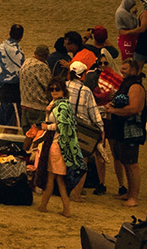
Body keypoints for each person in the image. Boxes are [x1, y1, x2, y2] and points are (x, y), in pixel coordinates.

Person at [36, 60, 101, 217]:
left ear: (63, 90)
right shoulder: (59, 103)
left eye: (56, 89)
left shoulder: (61, 105)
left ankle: (49, 207)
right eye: (51, 89)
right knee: (57, 179)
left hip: (57, 145)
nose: (53, 91)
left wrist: (46, 127)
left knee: (53, 178)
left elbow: (60, 125)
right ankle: (61, 208)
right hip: (58, 144)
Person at [107, 54, 147, 206]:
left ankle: (134, 197)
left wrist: (113, 111)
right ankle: (129, 193)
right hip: (120, 129)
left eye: (124, 68)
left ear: (133, 71)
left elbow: (135, 108)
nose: (121, 70)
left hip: (131, 131)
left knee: (132, 164)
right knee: (124, 161)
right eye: (121, 68)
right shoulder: (125, 84)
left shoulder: (136, 86)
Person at [0, 23, 26, 126]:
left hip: (1, 85)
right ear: (21, 36)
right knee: (12, 118)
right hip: (13, 88)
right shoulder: (19, 52)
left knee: (4, 112)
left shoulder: (1, 47)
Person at [18, 43, 53, 130]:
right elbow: (49, 86)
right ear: (45, 56)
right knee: (38, 136)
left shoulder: (26, 62)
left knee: (27, 135)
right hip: (38, 107)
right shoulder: (41, 67)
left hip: (24, 104)